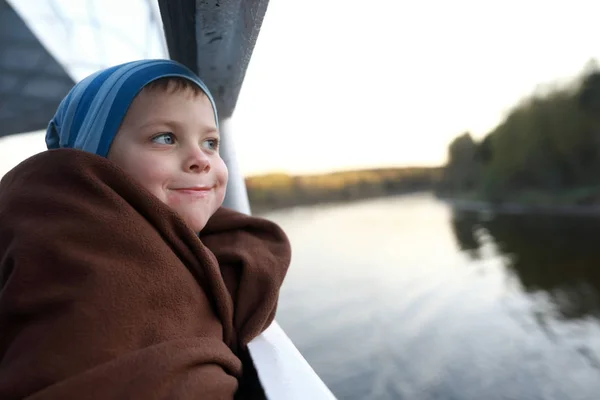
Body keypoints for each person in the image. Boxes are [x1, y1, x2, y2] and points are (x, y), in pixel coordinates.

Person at [0, 59, 291, 399]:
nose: (202, 159)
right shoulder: (73, 247)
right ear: (95, 158)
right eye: (165, 138)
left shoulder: (178, 239)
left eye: (211, 142)